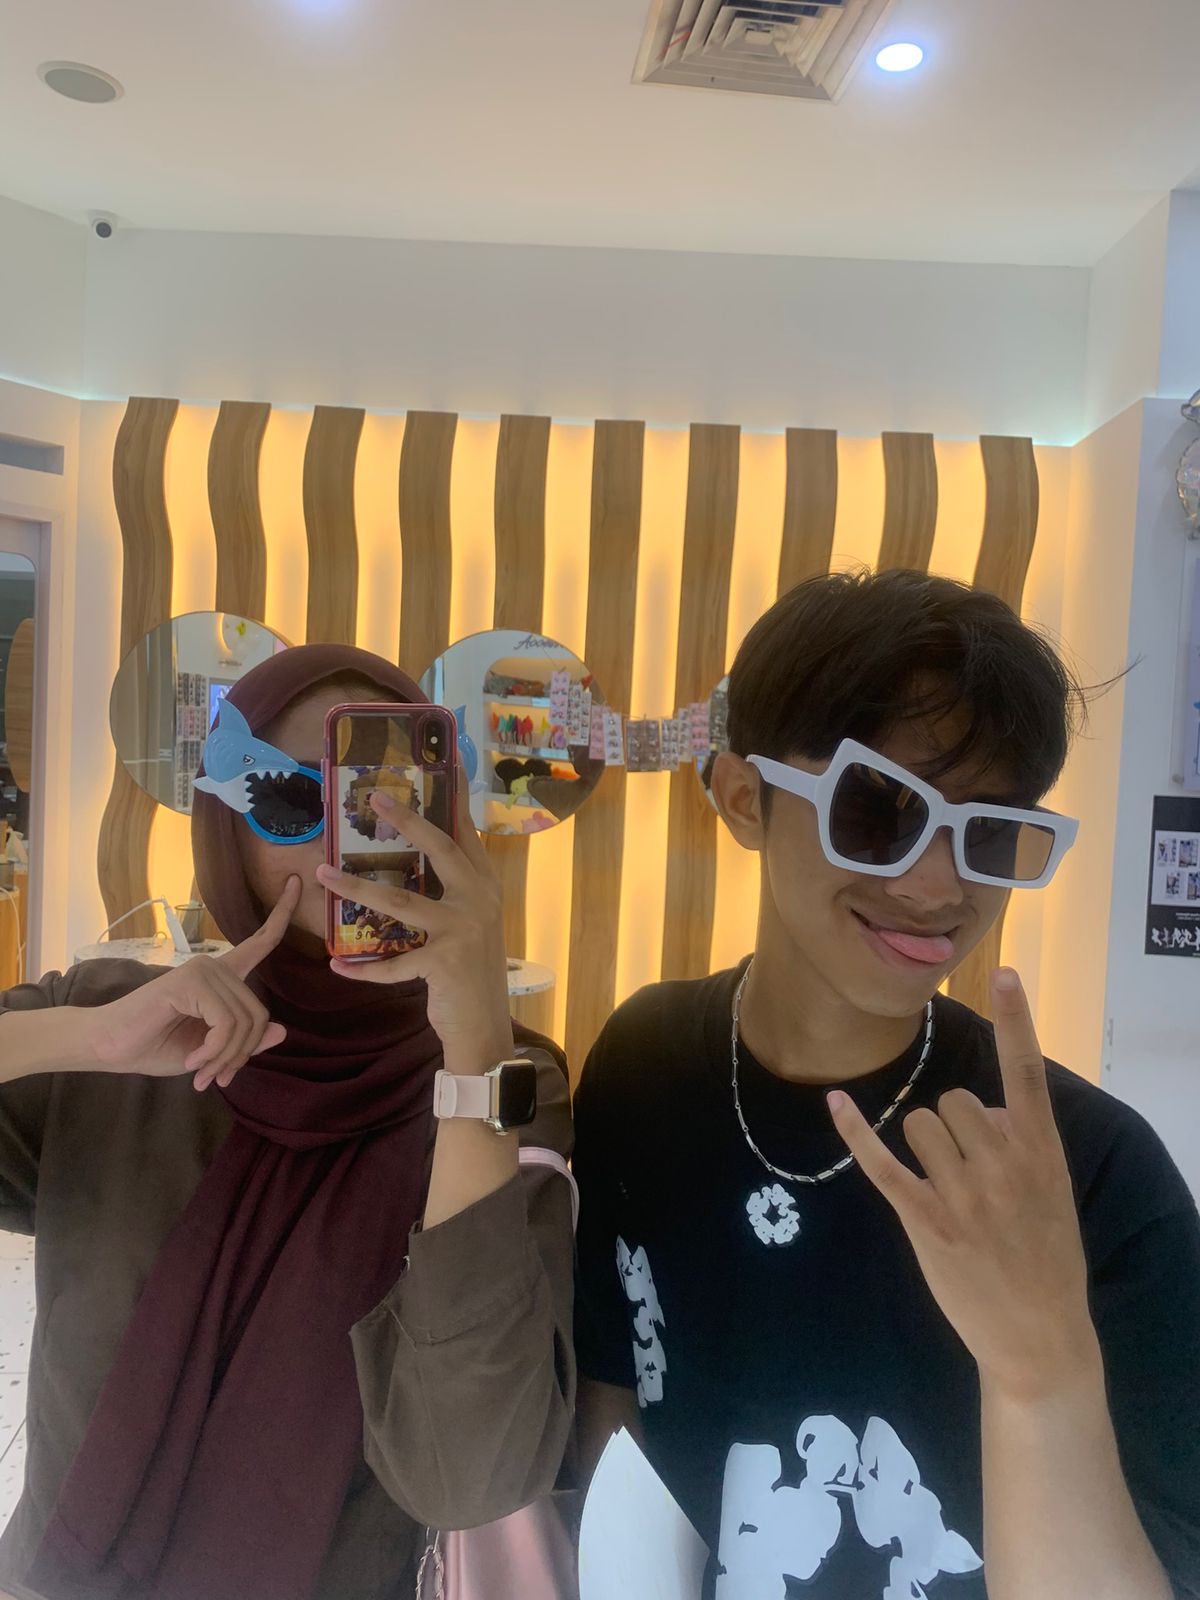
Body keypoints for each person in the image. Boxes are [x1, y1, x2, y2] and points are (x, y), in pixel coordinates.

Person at [573, 570, 1200, 1600]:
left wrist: (1042, 1370)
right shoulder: (642, 1064)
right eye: (878, 810)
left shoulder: (1089, 1171)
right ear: (744, 799)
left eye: (989, 830)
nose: (939, 884)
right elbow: (615, 1393)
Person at [0, 645, 575, 1600]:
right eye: (290, 800)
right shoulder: (112, 1030)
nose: (342, 844)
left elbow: (470, 1473)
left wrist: (474, 1050)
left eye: (389, 801)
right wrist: (89, 1040)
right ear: (225, 828)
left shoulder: (506, 1081)